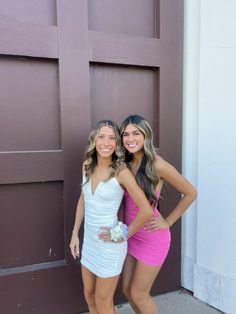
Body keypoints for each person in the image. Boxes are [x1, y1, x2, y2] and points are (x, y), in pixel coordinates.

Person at [69, 120, 153, 314]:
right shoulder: (87, 165)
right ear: (94, 140)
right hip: (90, 242)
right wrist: (75, 233)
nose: (106, 143)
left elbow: (146, 210)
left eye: (112, 138)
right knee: (89, 296)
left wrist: (122, 234)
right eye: (101, 137)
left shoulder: (121, 172)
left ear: (117, 143)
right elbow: (83, 198)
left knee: (103, 303)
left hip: (110, 246)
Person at [119, 114, 197, 314]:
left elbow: (190, 193)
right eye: (125, 134)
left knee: (139, 294)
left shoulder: (157, 164)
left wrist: (168, 221)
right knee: (127, 290)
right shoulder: (125, 163)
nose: (130, 139)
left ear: (146, 135)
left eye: (136, 133)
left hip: (152, 237)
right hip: (131, 234)